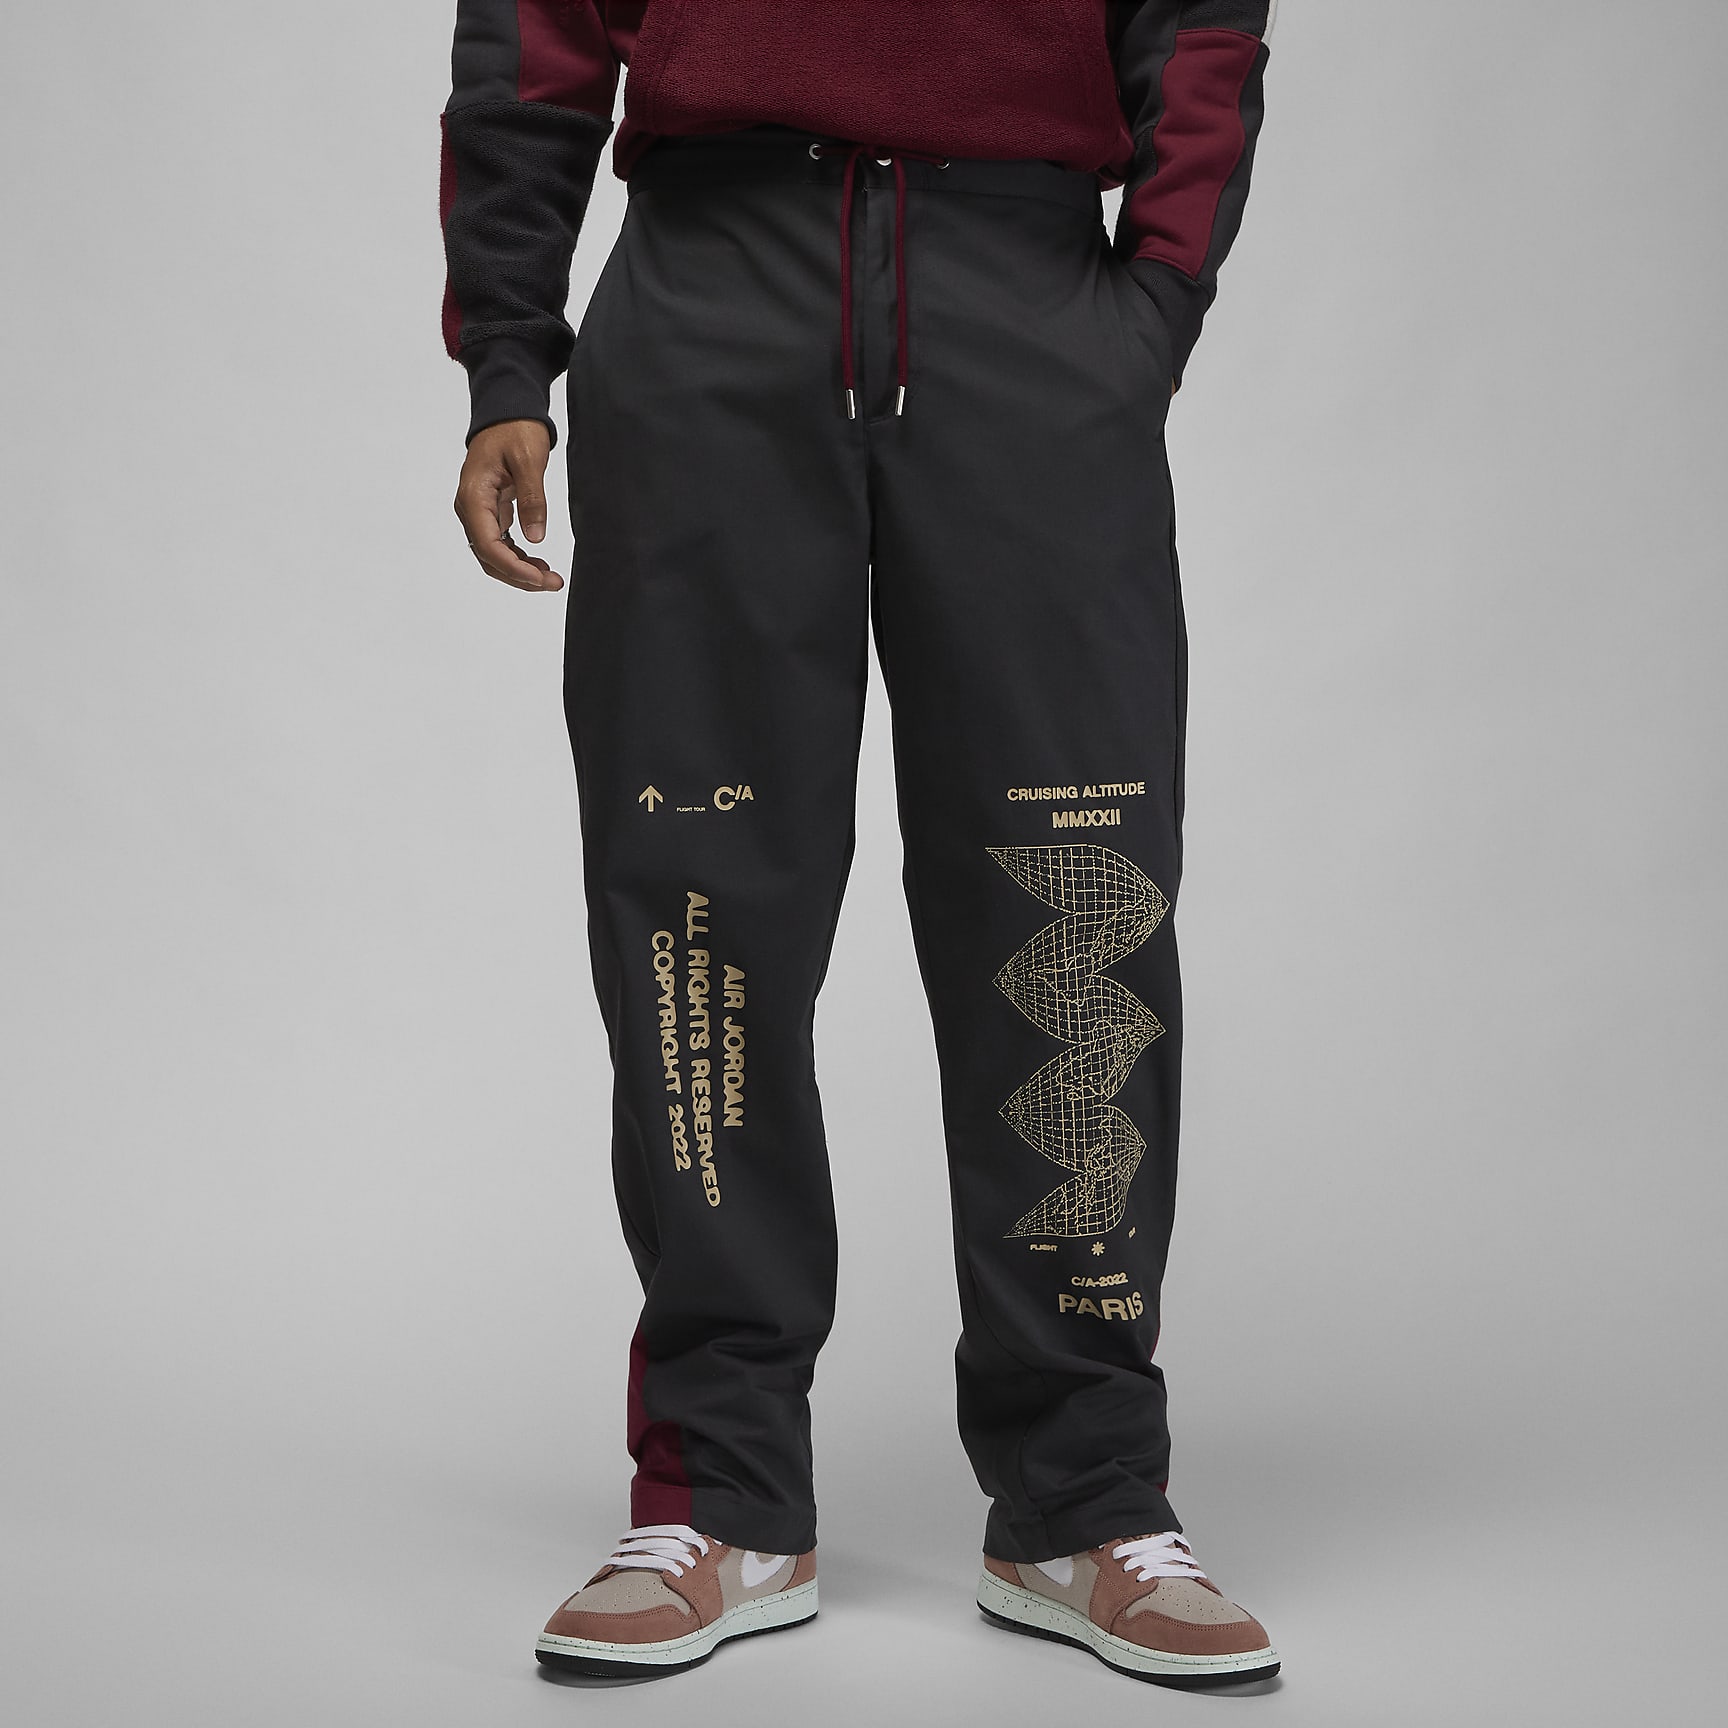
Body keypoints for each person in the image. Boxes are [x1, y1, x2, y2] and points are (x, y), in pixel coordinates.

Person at [442, 0, 1279, 1689]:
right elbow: (529, 37)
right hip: (709, 300)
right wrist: (509, 358)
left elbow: (1200, 24)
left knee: (1074, 902)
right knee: (698, 918)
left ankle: (1082, 1493)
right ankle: (720, 1486)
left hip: (1027, 310)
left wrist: (1155, 307)